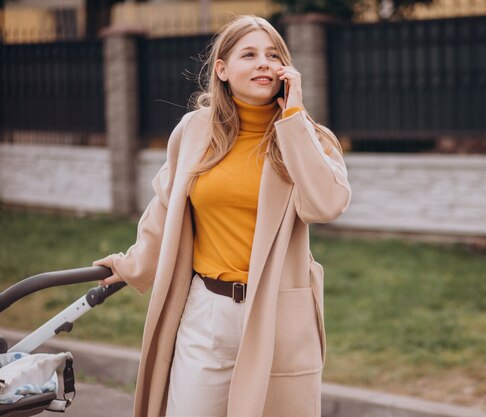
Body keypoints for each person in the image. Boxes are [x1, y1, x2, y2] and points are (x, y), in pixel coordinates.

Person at [93, 14, 351, 417]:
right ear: (223, 70)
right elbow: (165, 208)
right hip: (206, 313)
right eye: (248, 54)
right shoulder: (194, 131)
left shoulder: (308, 137)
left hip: (277, 316)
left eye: (273, 55)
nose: (263, 63)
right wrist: (132, 265)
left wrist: (293, 119)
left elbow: (326, 204)